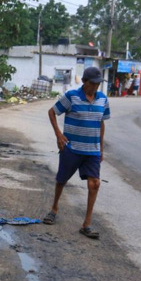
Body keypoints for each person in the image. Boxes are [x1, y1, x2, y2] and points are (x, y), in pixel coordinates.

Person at [42, 66, 110, 239]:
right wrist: (58, 134)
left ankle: (86, 224)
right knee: (61, 180)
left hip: (92, 151)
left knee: (94, 184)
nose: (95, 87)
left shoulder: (103, 99)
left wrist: (101, 149)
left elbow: (101, 123)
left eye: (98, 84)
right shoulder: (71, 96)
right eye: (93, 83)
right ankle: (54, 209)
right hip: (71, 148)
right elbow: (52, 112)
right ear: (85, 82)